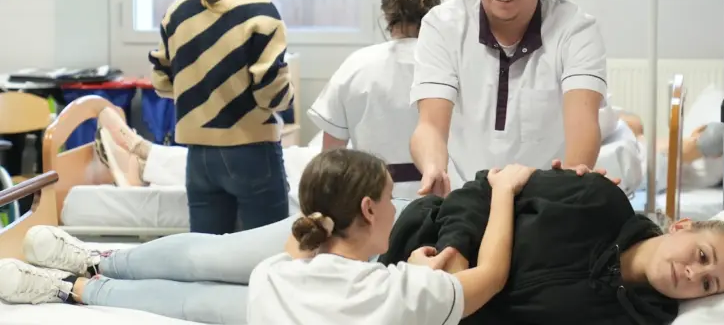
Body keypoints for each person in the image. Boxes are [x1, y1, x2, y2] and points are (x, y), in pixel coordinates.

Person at [0, 149, 528, 325]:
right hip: (351, 261)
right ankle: (96, 263)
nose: (398, 204)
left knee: (197, 297)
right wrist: (503, 192)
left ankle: (76, 285)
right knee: (207, 264)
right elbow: (492, 276)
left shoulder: (284, 269)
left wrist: (500, 187)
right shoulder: (407, 291)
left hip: (335, 260)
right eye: (392, 198)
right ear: (370, 209)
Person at [379, 167, 724, 325]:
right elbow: (483, 188)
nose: (693, 273)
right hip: (404, 239)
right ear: (681, 226)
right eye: (702, 256)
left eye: (707, 284)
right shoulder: (598, 199)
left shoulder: (631, 321)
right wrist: (455, 251)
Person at [410, 0, 610, 197]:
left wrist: (570, 186)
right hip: (465, 195)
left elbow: (584, 124)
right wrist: (433, 168)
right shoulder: (443, 25)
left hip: (546, 197)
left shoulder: (575, 29)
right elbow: (430, 125)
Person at [148, 0, 295, 234]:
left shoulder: (178, 10)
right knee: (265, 251)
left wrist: (204, 92)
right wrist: (288, 91)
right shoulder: (261, 12)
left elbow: (161, 81)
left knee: (206, 254)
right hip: (252, 151)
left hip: (198, 156)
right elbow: (272, 94)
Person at [307, 0, 447, 198]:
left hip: (373, 200)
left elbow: (330, 158)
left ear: (386, 14)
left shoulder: (356, 66)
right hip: (440, 195)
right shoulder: (447, 65)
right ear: (434, 12)